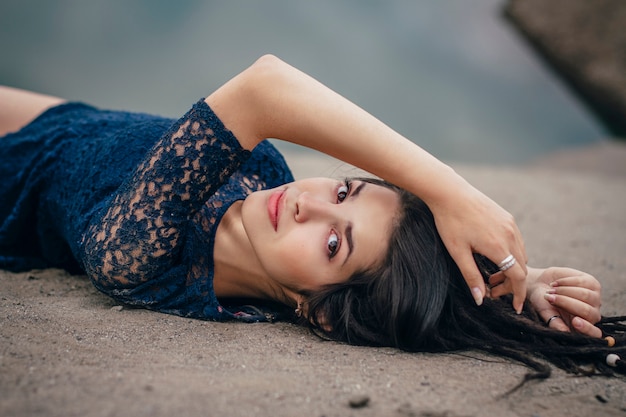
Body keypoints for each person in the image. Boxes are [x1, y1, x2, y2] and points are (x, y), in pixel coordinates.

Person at [1, 55, 623, 385]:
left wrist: (452, 190)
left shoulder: (138, 255)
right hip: (50, 120)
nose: (310, 202)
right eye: (347, 190)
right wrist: (515, 277)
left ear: (320, 311)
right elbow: (96, 133)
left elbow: (265, 87)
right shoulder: (268, 179)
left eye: (332, 242)